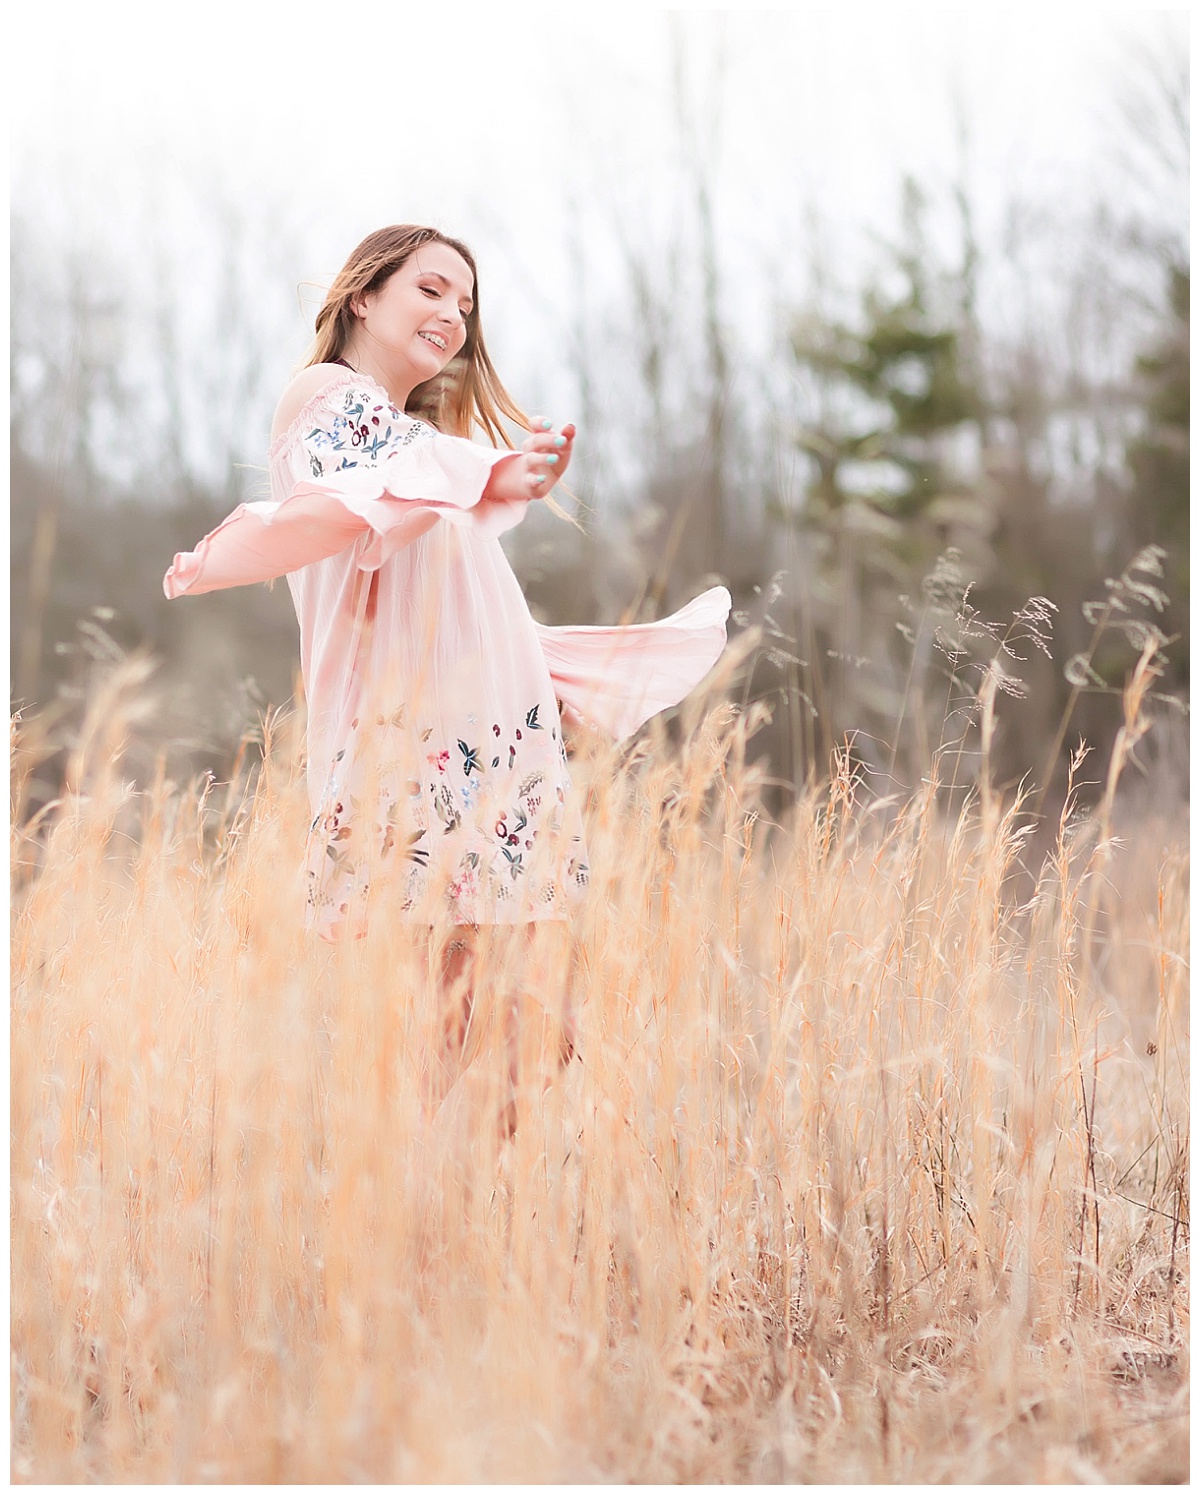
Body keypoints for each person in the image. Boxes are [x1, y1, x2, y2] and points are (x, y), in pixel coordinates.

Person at [164, 224, 730, 1117]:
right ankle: (393, 1217)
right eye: (431, 289)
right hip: (409, 752)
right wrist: (499, 470)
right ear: (363, 296)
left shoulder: (425, 452)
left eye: (464, 304)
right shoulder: (329, 402)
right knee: (448, 1021)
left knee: (543, 1023)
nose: (453, 316)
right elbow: (392, 472)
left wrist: (549, 679)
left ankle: (446, 1218)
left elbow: (464, 600)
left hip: (492, 756)